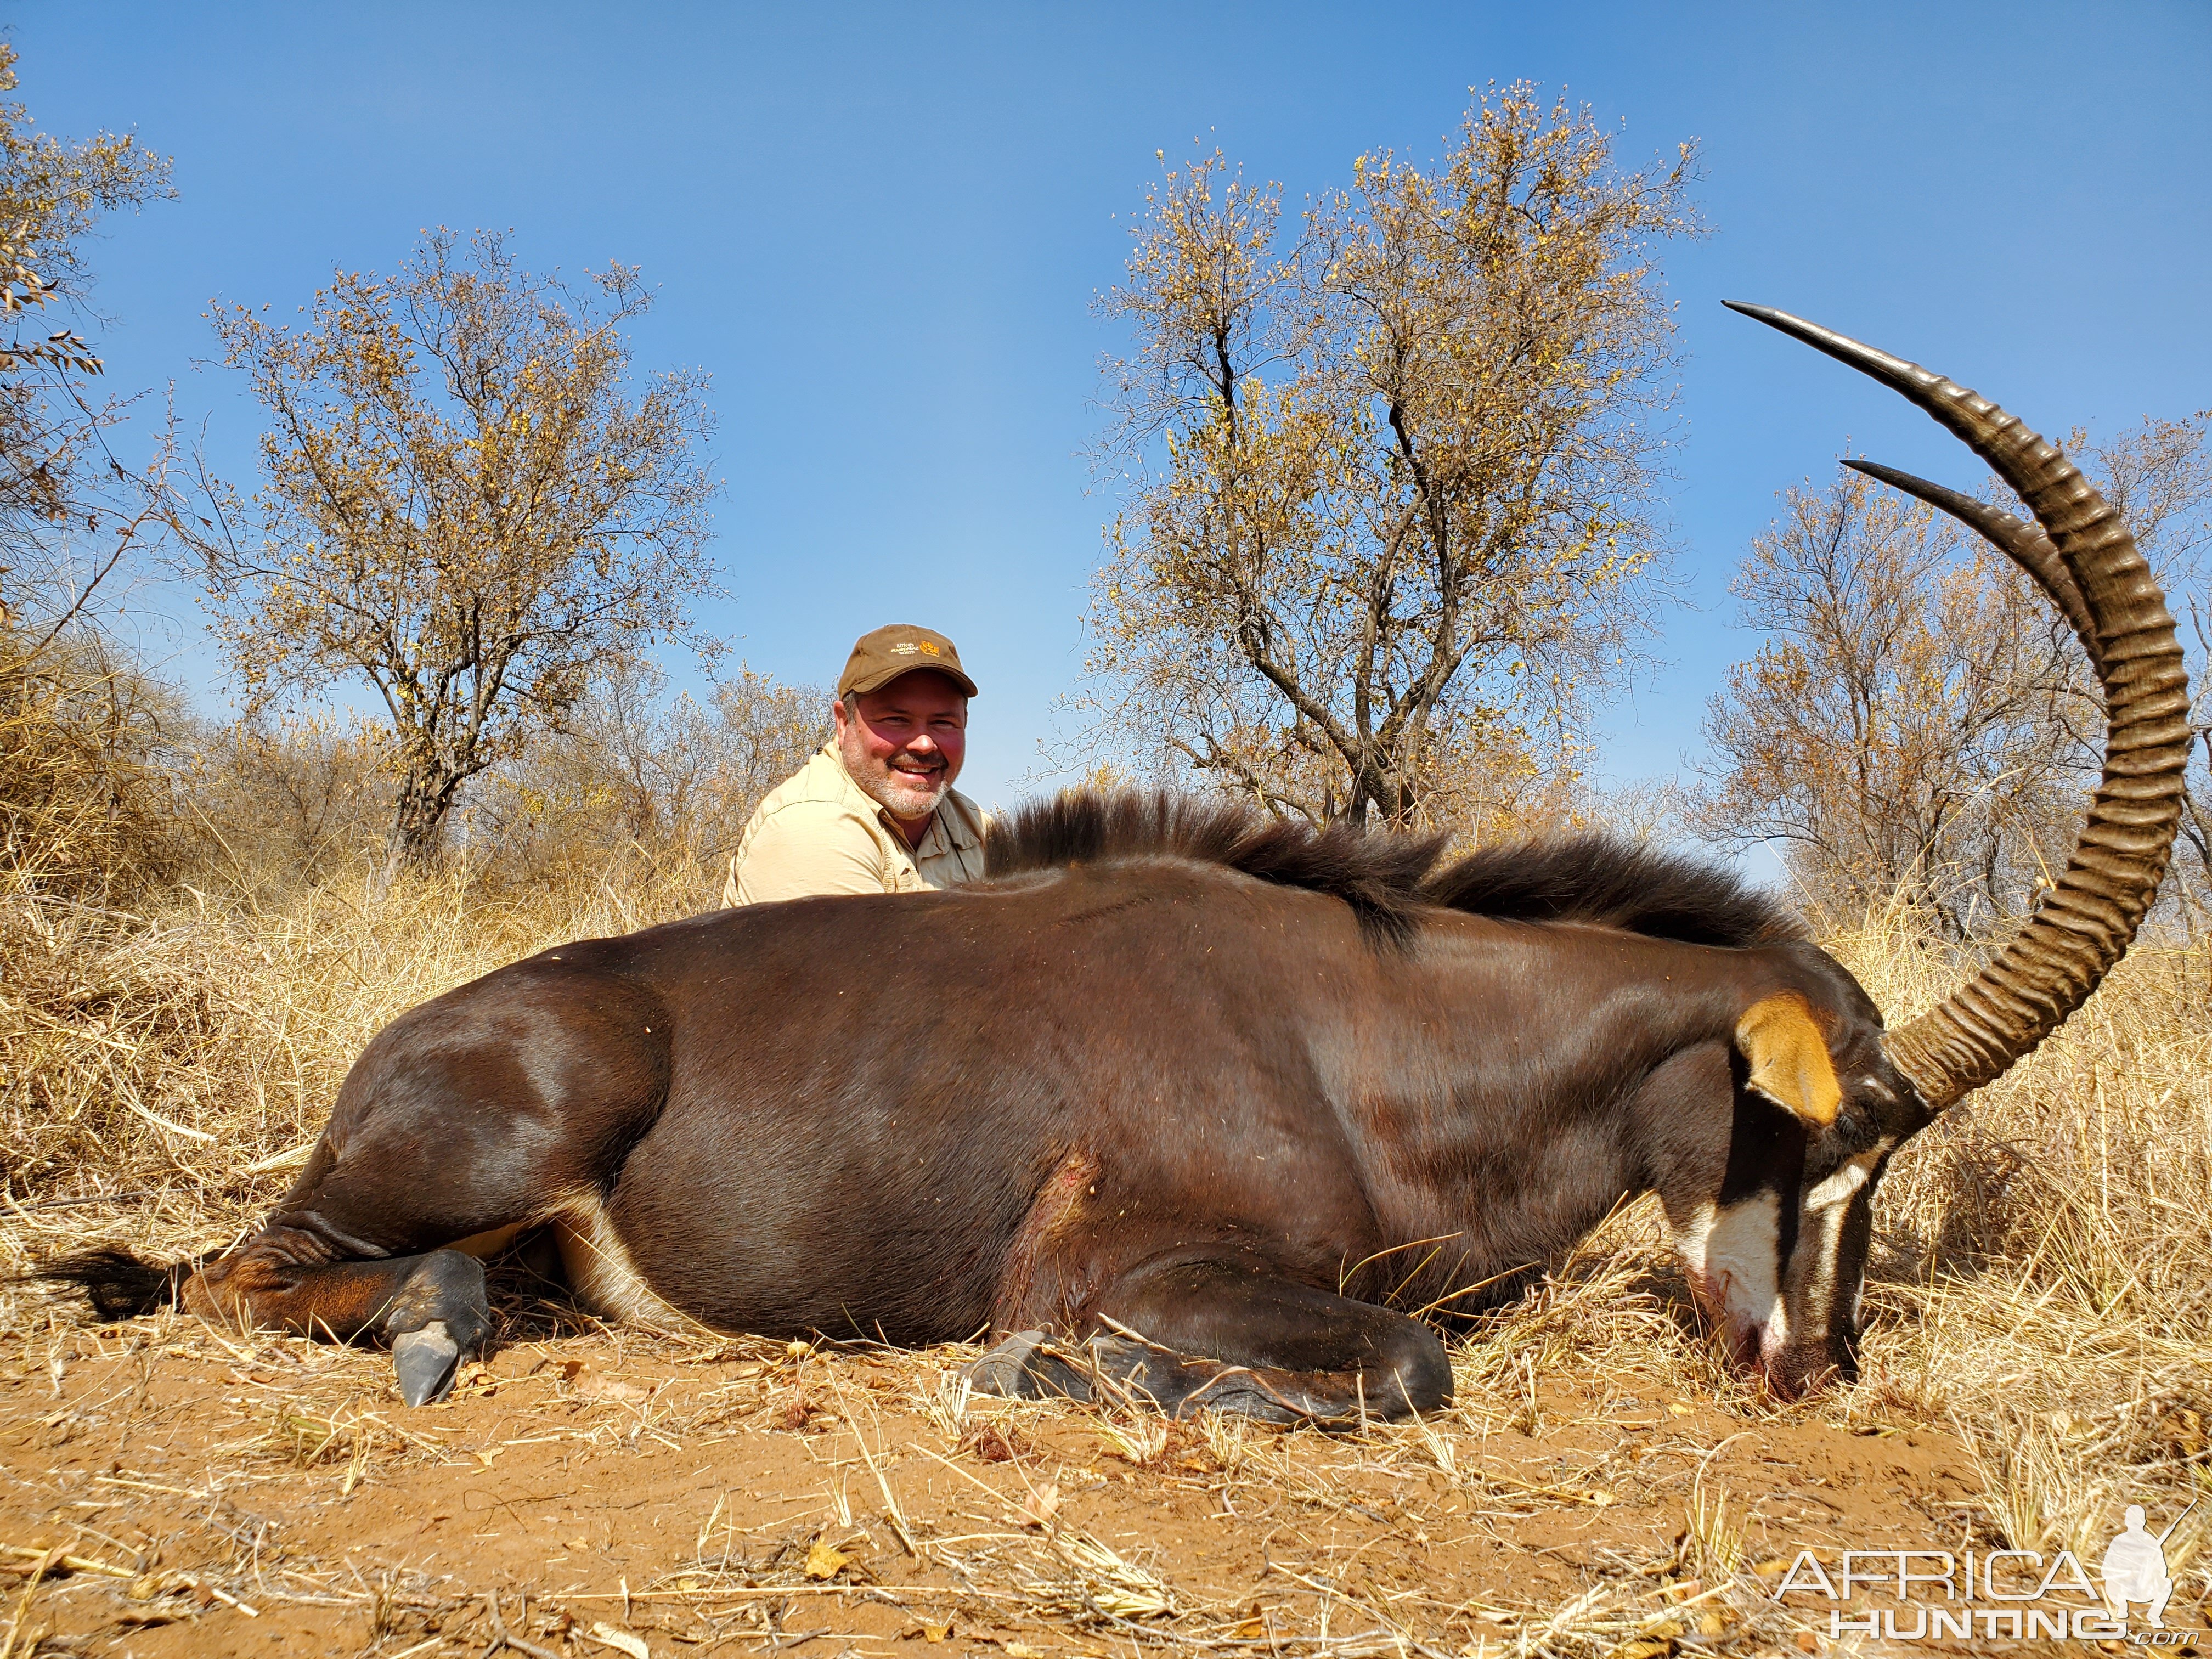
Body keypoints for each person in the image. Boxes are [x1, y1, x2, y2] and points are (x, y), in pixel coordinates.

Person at [722, 624, 987, 906]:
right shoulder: (813, 828)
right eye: (896, 720)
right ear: (844, 722)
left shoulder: (976, 825)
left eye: (943, 723)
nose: (924, 744)